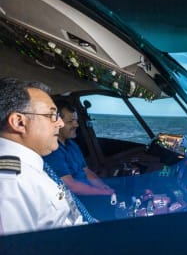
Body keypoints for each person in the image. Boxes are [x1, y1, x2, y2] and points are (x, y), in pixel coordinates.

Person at [0, 77, 86, 235]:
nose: (60, 123)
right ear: (19, 122)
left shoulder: (30, 169)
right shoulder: (11, 183)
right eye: (52, 115)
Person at [44, 100, 115, 220]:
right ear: (58, 123)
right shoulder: (53, 151)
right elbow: (70, 186)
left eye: (76, 120)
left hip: (90, 194)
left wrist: (104, 187)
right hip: (76, 201)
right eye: (71, 121)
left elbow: (87, 172)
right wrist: (100, 193)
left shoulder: (72, 145)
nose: (77, 125)